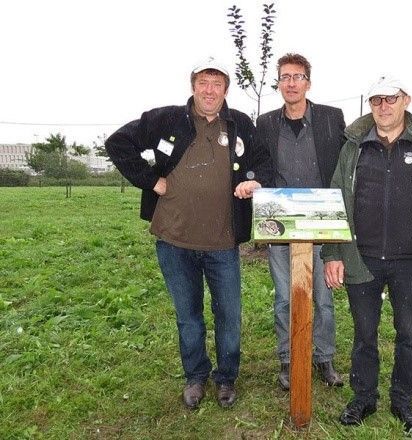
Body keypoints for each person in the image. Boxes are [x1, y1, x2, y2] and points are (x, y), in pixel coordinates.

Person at [105, 57, 271, 410]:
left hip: (223, 243)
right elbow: (118, 143)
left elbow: (262, 159)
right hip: (174, 240)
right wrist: (150, 180)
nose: (210, 91)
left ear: (226, 88)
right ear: (192, 85)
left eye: (217, 84)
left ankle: (226, 378)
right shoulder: (165, 119)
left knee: (229, 314)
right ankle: (195, 376)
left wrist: (253, 178)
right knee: (188, 315)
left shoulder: (240, 123)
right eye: (203, 83)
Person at [321, 75, 412, 438]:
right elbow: (336, 201)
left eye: (390, 99)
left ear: (406, 100)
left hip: (410, 262)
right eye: (376, 100)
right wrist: (334, 253)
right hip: (361, 258)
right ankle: (363, 398)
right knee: (364, 334)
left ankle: (403, 401)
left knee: (408, 333)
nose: (383, 106)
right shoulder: (353, 147)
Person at [235, 53, 345, 391]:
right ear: (279, 83)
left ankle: (323, 357)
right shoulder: (266, 123)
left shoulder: (331, 118)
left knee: (323, 298)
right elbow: (257, 162)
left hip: (322, 222)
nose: (291, 83)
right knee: (284, 297)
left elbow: (343, 164)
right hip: (280, 224)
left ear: (308, 83)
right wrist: (252, 179)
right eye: (285, 77)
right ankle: (287, 359)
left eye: (298, 77)